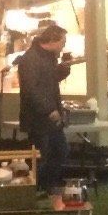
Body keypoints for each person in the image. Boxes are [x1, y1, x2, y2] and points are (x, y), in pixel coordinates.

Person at [16, 24, 76, 192]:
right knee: (42, 155)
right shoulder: (30, 59)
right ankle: (36, 187)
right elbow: (31, 90)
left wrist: (62, 72)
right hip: (38, 118)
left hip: (48, 115)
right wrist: (49, 109)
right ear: (52, 40)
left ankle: (46, 184)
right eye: (62, 42)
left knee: (60, 150)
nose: (63, 45)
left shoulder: (48, 57)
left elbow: (48, 81)